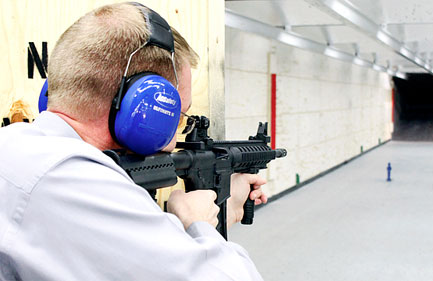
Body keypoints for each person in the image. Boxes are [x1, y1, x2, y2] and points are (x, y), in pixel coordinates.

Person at [0, 3, 268, 280]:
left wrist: (227, 207)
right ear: (145, 106)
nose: (175, 139)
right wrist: (198, 225)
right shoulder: (76, 184)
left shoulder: (14, 145)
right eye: (177, 116)